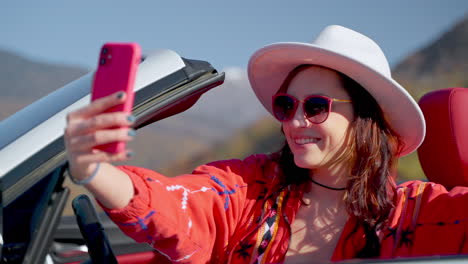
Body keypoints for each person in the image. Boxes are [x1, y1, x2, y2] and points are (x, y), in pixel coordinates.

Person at [64, 25, 468, 264]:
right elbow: (173, 204)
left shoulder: (414, 212)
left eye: (315, 107)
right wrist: (95, 171)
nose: (294, 122)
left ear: (365, 119)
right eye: (286, 104)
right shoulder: (251, 189)